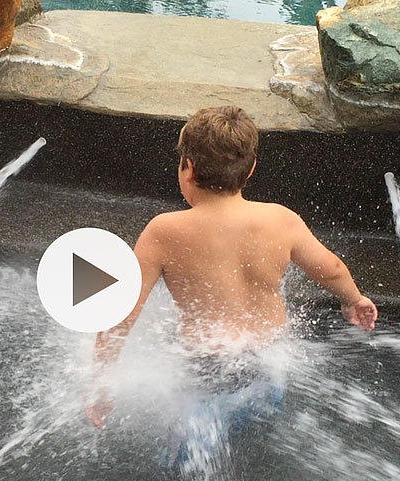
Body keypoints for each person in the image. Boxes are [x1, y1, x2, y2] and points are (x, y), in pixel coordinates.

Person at [85, 105, 377, 430]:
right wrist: (354, 299)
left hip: (205, 364)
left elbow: (124, 312)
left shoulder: (164, 231)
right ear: (251, 169)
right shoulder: (281, 219)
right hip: (268, 354)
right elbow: (331, 268)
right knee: (258, 426)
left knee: (198, 451)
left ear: (188, 167)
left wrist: (101, 381)